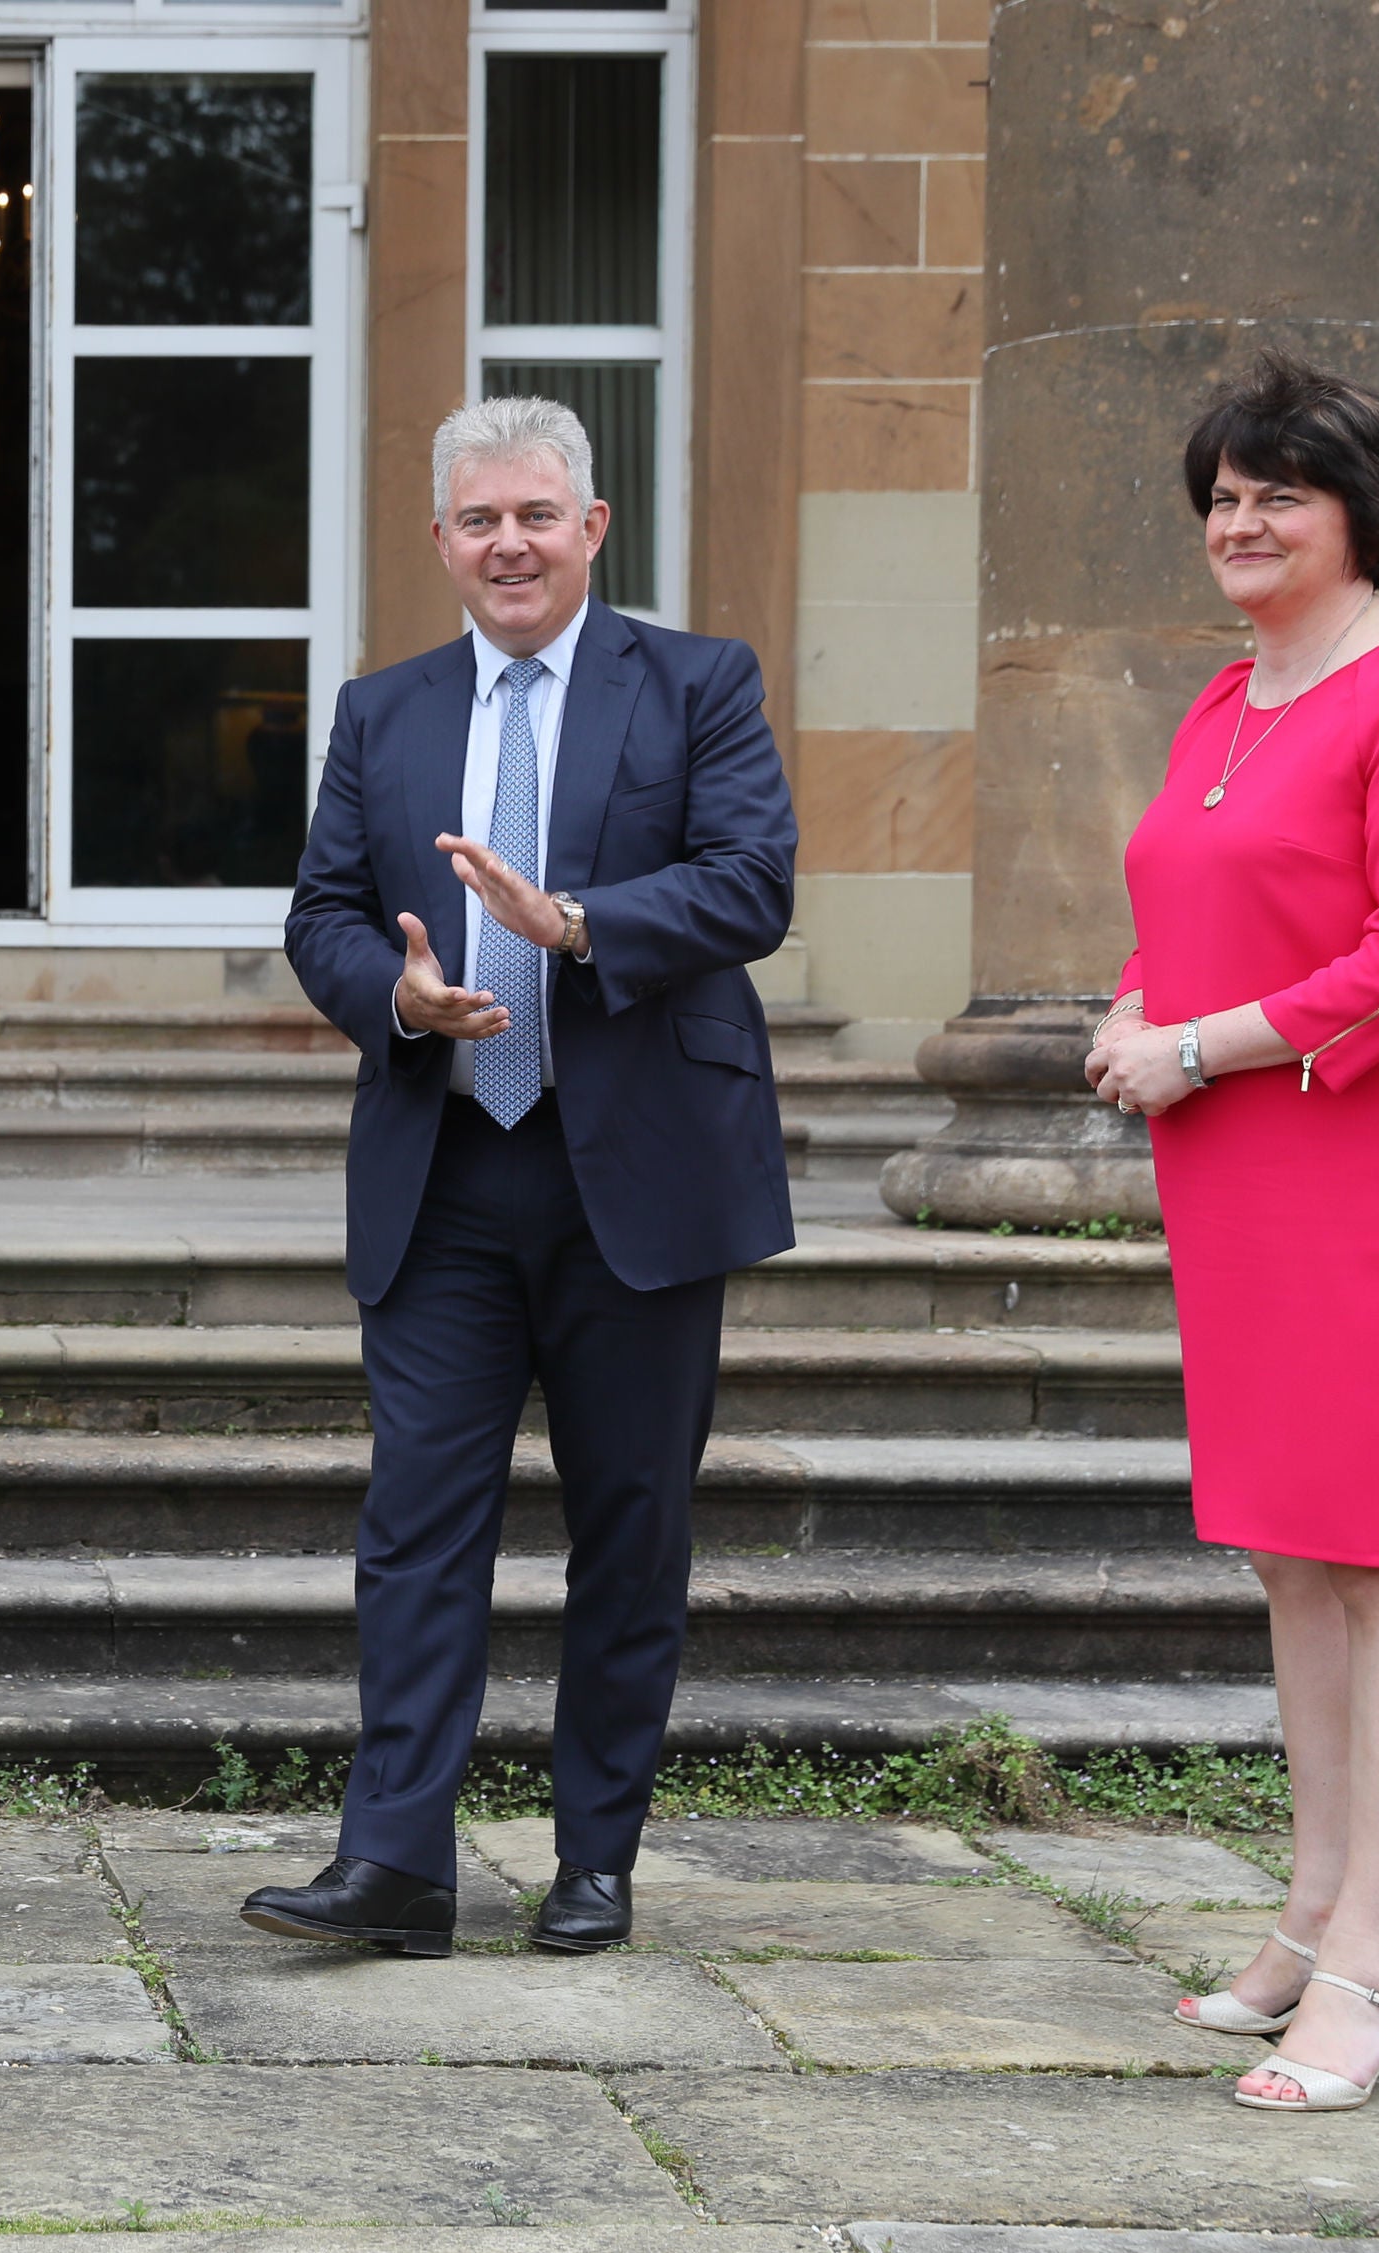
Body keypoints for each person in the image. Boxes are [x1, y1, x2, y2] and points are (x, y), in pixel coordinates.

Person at [256, 396, 796, 1958]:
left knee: (632, 1526)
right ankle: (397, 1866)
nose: (509, 542)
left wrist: (577, 927)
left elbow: (752, 879)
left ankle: (594, 1859)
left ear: (592, 528)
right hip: (446, 1169)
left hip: (637, 1167)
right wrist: (396, 997)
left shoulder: (697, 683)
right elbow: (325, 916)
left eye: (536, 515)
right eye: (479, 519)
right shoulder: (382, 710)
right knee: (419, 1525)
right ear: (439, 541)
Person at [1087, 352, 1379, 2111]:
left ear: (1364, 517)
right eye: (1223, 495)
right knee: (1287, 1543)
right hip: (1237, 1159)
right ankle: (1314, 1903)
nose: (1241, 521)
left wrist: (1189, 1043)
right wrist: (1138, 1004)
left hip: (1369, 1154)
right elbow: (1193, 900)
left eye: (1280, 493)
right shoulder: (1227, 698)